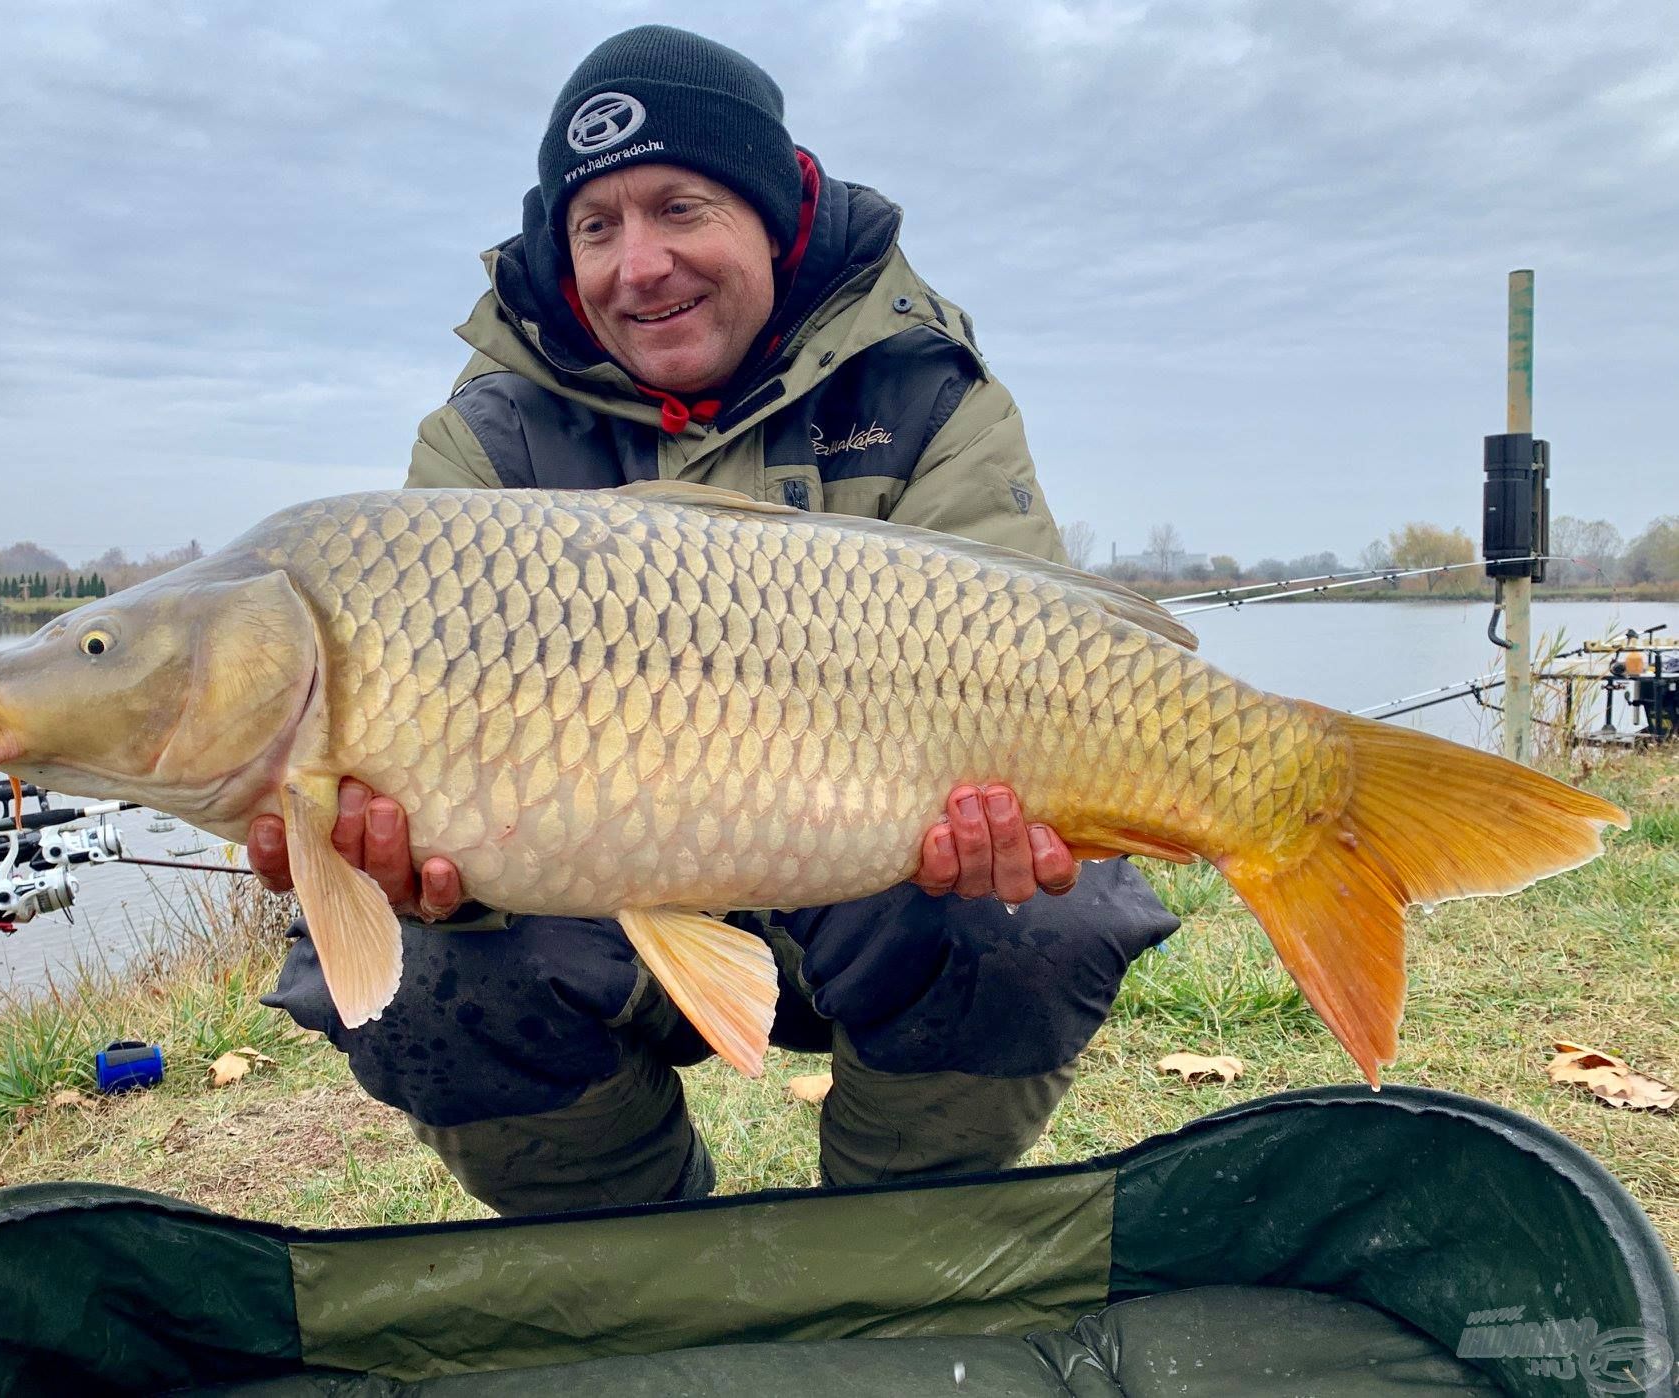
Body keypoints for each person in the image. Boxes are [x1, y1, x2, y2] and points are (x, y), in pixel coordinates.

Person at [256, 25, 1177, 1215]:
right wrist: (420, 876)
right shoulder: (486, 442)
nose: (638, 265)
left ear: (772, 216)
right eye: (596, 227)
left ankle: (888, 1239)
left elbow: (1039, 673)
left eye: (678, 208)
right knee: (416, 973)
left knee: (1040, 917)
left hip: (867, 882)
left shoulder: (919, 389)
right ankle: (637, 1257)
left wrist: (1025, 822)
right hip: (592, 912)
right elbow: (434, 783)